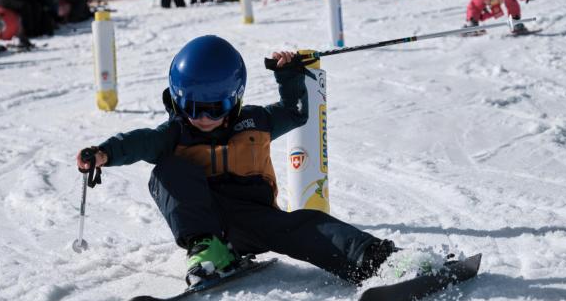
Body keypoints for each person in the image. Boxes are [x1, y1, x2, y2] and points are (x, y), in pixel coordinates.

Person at [75, 36, 397, 286]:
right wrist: (103, 153)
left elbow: (295, 112)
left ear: (236, 98)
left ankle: (378, 260)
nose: (202, 118)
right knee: (166, 171)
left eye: (214, 109)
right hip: (207, 223)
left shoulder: (255, 122)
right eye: (192, 107)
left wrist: (288, 77)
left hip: (255, 218)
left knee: (304, 224)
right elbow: (139, 141)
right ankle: (208, 251)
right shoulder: (174, 134)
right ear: (177, 99)